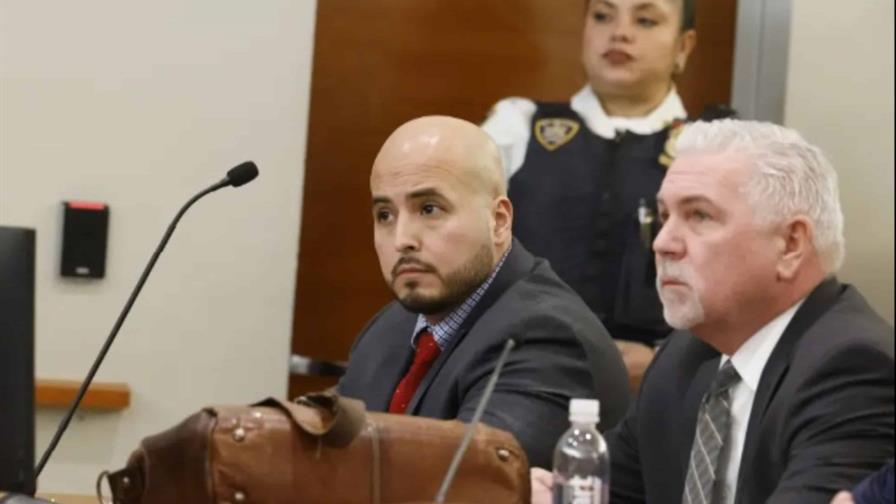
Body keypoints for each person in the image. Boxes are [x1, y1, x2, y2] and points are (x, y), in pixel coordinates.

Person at [531, 119, 895, 503]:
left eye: (699, 216)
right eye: (664, 216)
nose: (662, 243)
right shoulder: (685, 355)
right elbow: (610, 493)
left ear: (790, 244)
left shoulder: (855, 369)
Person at [337, 115, 630, 469]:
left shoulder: (545, 337)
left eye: (429, 209)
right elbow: (326, 445)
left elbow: (467, 482)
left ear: (499, 221)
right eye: (385, 215)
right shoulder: (392, 327)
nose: (402, 240)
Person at [482, 0, 703, 359]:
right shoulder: (516, 127)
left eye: (645, 20)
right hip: (518, 362)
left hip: (658, 379)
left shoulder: (709, 149)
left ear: (683, 46)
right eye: (603, 16)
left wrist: (662, 361)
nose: (620, 32)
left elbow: (734, 292)